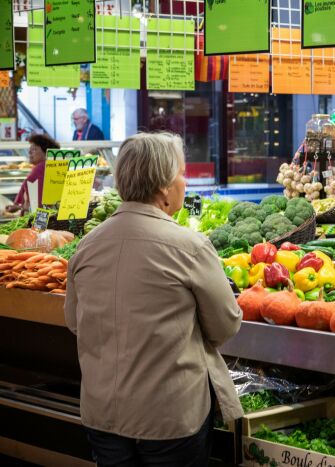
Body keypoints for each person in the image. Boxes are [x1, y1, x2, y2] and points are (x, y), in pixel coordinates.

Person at [65, 133, 243, 466]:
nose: (184, 182)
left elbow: (75, 322)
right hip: (169, 418)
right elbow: (225, 324)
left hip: (102, 413)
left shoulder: (87, 246)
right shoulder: (189, 247)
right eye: (181, 173)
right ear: (163, 186)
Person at [4, 133, 60, 213]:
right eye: (30, 149)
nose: (29, 152)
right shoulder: (53, 167)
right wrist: (19, 206)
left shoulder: (40, 169)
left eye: (34, 149)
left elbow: (38, 204)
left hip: (39, 219)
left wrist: (19, 207)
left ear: (45, 153)